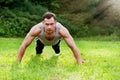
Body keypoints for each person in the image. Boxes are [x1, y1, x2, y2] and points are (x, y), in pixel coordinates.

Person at [17, 12, 83, 64]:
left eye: (51, 24)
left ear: (55, 22)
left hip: (56, 41)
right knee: (38, 51)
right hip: (41, 40)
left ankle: (57, 52)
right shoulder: (36, 29)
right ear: (43, 23)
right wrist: (18, 62)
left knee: (56, 50)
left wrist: (79, 62)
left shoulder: (61, 30)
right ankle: (38, 53)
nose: (49, 27)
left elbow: (73, 46)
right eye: (47, 24)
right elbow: (24, 45)